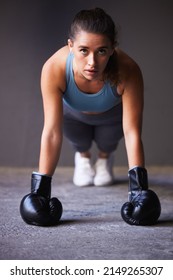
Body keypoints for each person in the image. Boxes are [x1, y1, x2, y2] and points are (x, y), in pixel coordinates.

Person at [20, 7, 161, 226]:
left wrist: (139, 191)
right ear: (70, 46)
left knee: (107, 143)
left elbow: (132, 131)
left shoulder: (128, 70)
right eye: (84, 50)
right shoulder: (54, 67)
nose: (92, 62)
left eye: (101, 51)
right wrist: (39, 193)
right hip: (73, 118)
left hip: (111, 118)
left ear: (113, 48)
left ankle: (105, 158)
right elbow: (51, 131)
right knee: (80, 141)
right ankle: (84, 157)